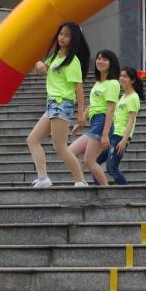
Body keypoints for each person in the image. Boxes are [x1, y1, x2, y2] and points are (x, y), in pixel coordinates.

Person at [26, 22, 90, 188]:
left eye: (67, 35)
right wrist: (39, 65)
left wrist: (81, 112)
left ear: (74, 39)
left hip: (62, 103)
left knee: (60, 147)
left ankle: (81, 180)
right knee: (33, 140)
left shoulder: (72, 61)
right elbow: (42, 70)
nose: (62, 38)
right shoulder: (56, 56)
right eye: (61, 34)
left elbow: (79, 87)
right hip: (52, 104)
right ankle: (43, 178)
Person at [67, 50, 120, 185]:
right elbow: (93, 105)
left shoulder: (112, 83)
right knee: (69, 152)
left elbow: (110, 109)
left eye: (105, 59)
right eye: (99, 58)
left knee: (89, 160)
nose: (100, 61)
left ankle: (106, 190)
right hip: (95, 122)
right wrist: (80, 122)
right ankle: (81, 180)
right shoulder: (98, 83)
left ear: (111, 63)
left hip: (102, 122)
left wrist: (105, 134)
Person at [97, 67, 144, 186]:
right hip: (112, 134)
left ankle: (126, 191)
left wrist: (124, 140)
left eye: (125, 76)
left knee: (111, 168)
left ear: (132, 80)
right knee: (95, 162)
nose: (121, 78)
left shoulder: (134, 97)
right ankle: (100, 188)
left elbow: (131, 121)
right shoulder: (123, 96)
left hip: (120, 137)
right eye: (121, 76)